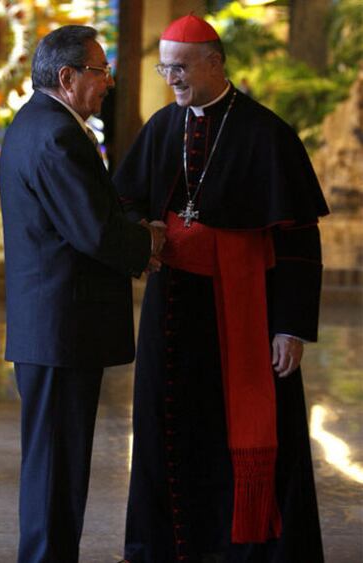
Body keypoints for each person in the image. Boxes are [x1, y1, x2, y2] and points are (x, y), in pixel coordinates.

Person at [114, 14, 329, 563]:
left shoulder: (266, 133)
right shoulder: (163, 126)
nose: (171, 78)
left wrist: (291, 326)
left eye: (180, 67)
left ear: (215, 63)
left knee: (242, 430)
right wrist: (144, 232)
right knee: (164, 426)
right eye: (164, 67)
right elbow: (127, 200)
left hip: (246, 312)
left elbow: (300, 242)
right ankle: (165, 547)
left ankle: (246, 550)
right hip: (171, 311)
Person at [0, 25, 165, 563]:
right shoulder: (56, 134)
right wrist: (149, 242)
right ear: (67, 77)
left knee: (60, 468)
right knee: (54, 472)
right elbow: (91, 229)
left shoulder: (41, 124)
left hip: (54, 327)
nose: (108, 82)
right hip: (60, 330)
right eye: (100, 71)